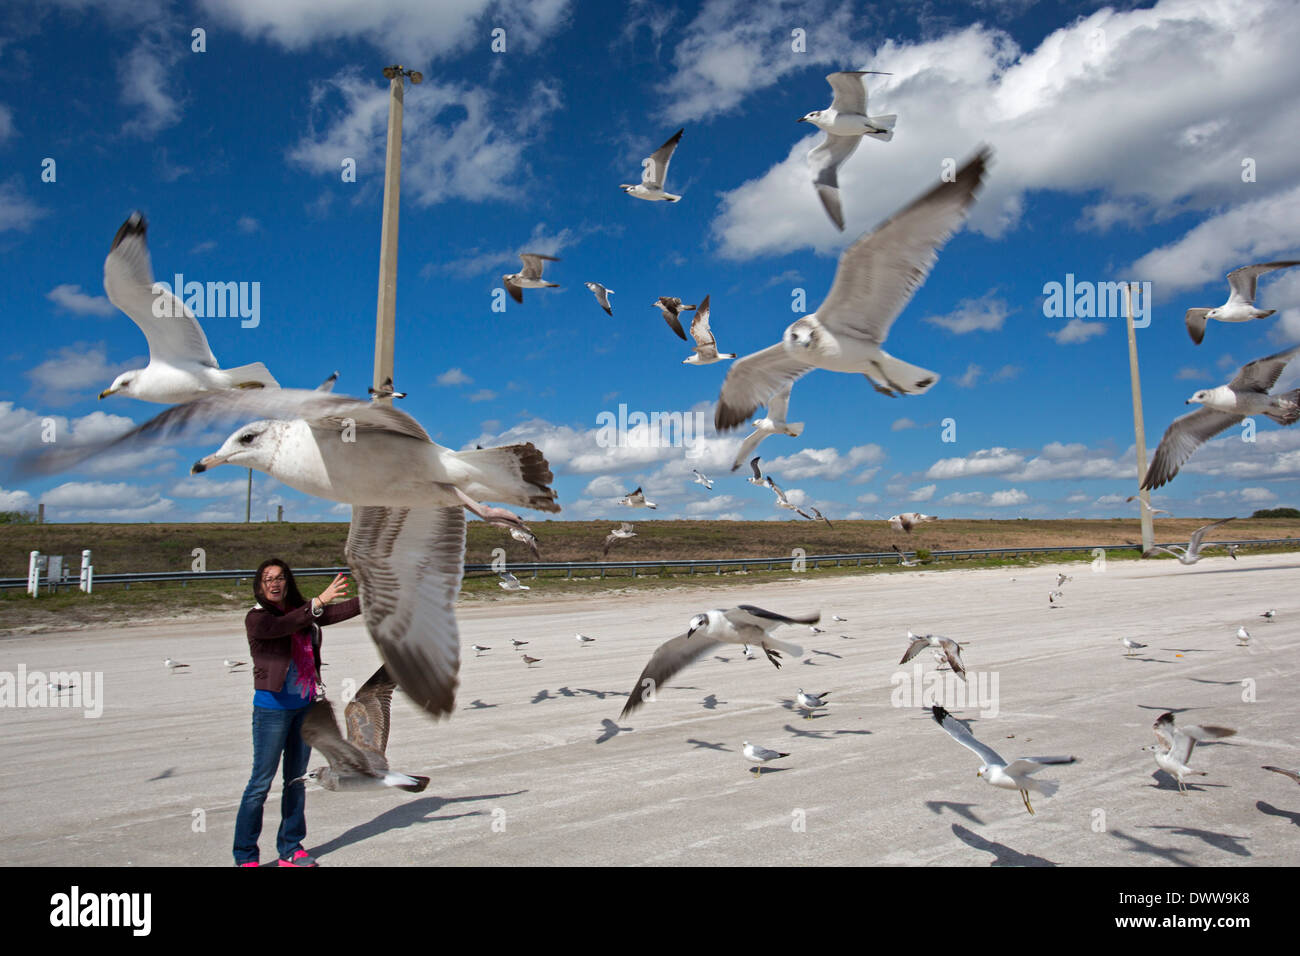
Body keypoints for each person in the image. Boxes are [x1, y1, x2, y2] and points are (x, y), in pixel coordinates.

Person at [232, 560, 360, 867]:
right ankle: (246, 856)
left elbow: (331, 613)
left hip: (304, 708)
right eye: (267, 579)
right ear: (259, 586)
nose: (273, 584)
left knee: (295, 780)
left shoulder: (304, 614)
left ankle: (291, 848)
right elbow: (284, 626)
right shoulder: (257, 618)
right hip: (272, 711)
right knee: (260, 783)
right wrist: (317, 602)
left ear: (287, 582)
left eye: (279, 578)